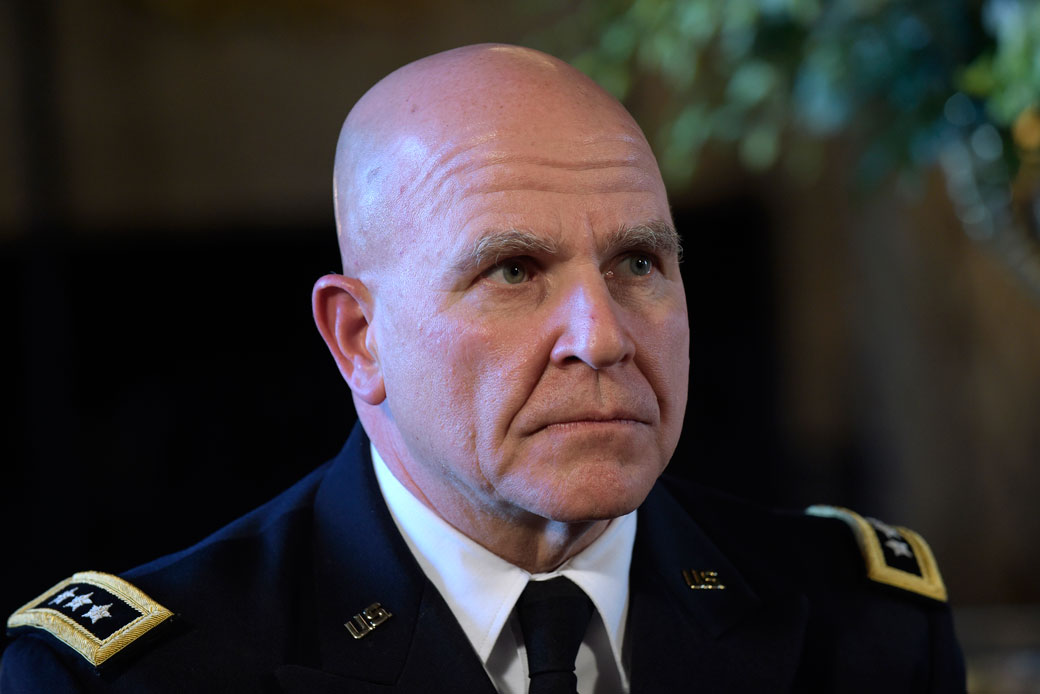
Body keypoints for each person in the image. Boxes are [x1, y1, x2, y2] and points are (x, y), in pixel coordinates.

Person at [2, 44, 964, 693]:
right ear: (358, 339)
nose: (602, 336)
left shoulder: (865, 625)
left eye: (640, 262)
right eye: (515, 270)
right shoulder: (145, 676)